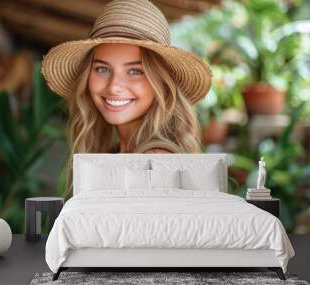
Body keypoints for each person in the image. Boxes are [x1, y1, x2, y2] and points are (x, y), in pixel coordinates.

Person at [41, 0, 213, 199]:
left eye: (135, 71)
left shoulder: (155, 164)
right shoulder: (118, 155)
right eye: (102, 69)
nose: (114, 86)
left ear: (161, 83)